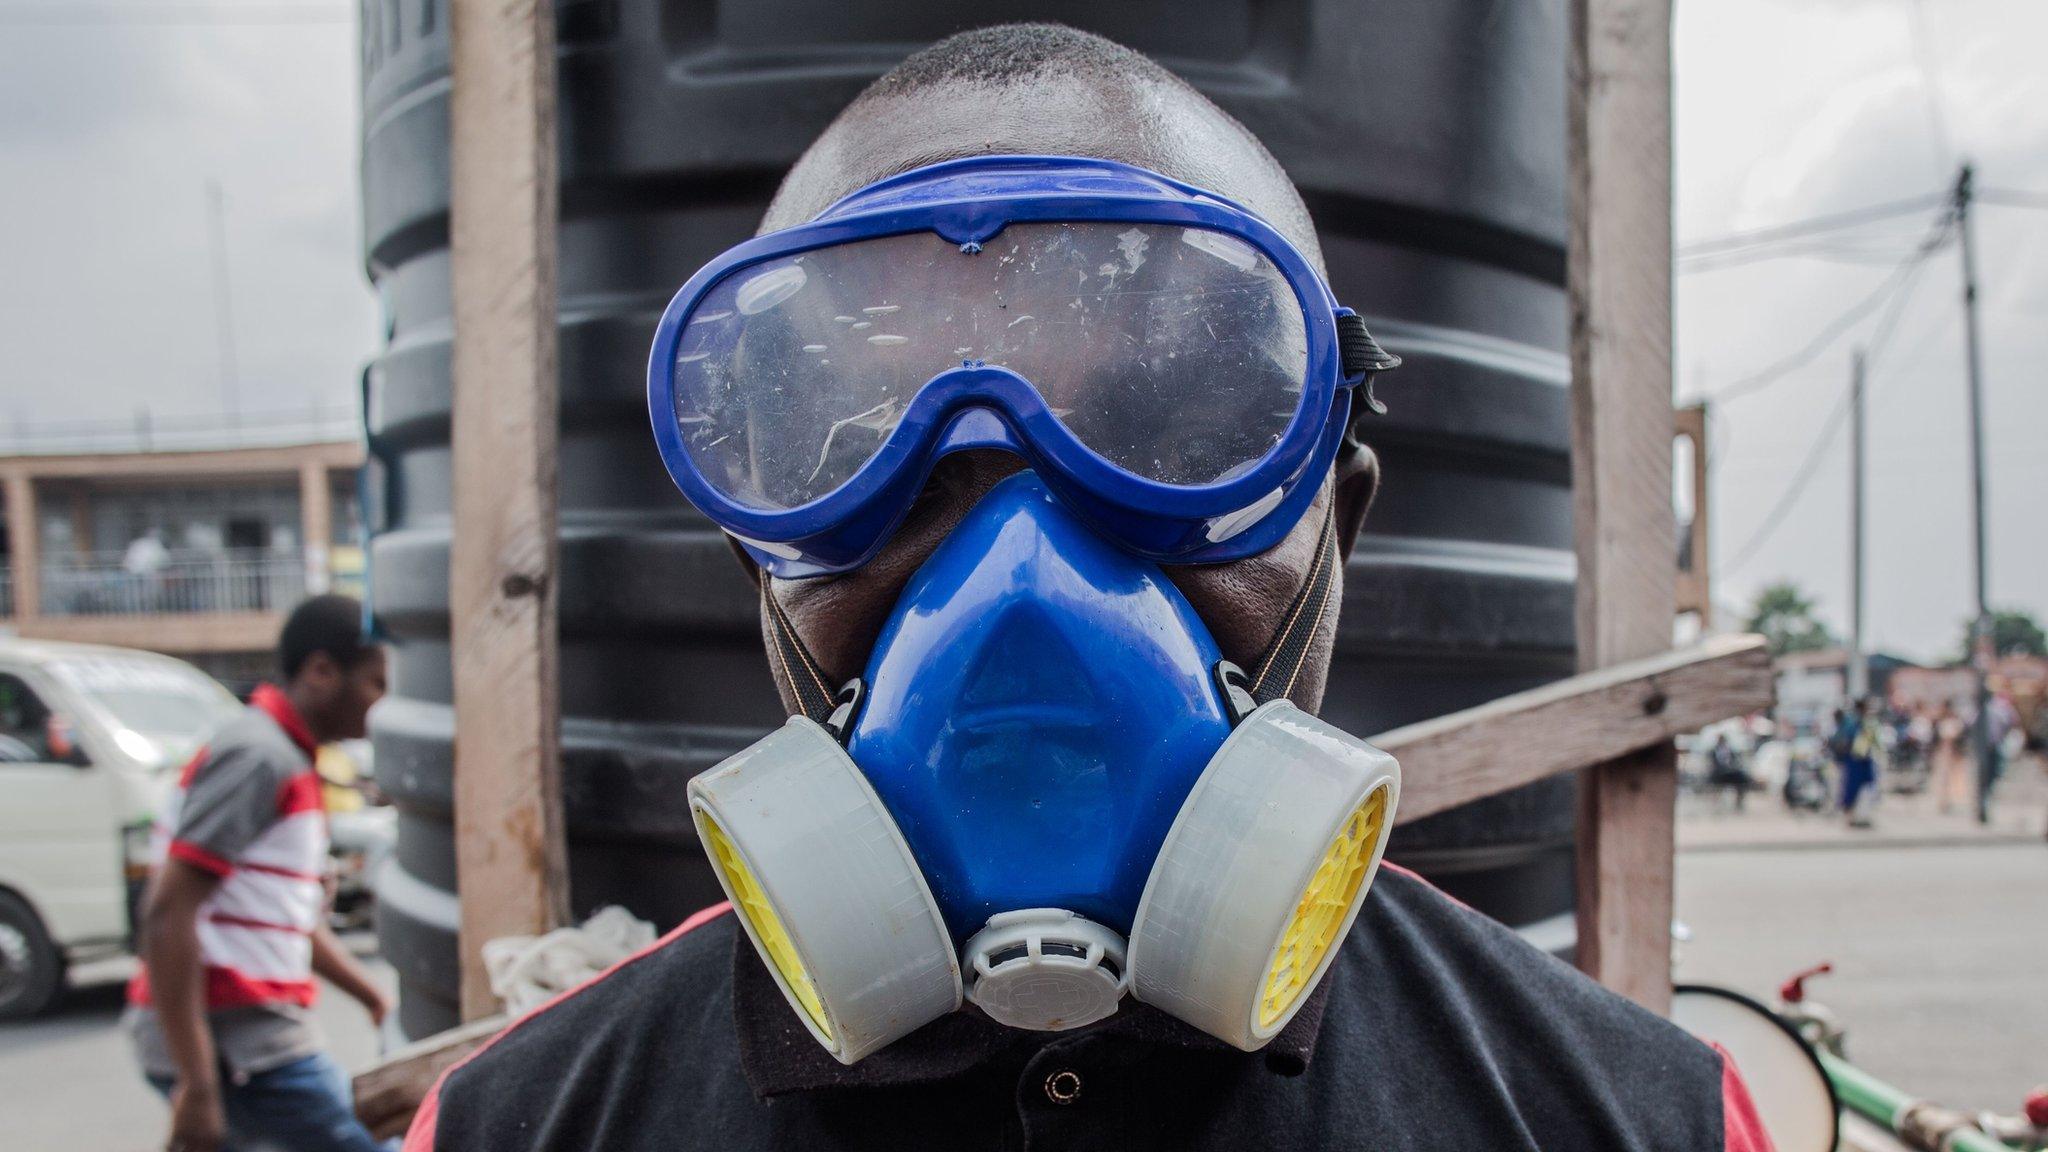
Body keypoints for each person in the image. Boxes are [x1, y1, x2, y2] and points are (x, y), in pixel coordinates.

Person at [403, 25, 1771, 1152]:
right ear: (763, 568)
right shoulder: (513, 1127)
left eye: (1165, 433)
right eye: (886, 463)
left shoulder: (1642, 1119)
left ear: (1336, 525)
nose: (1019, 578)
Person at [127, 594, 392, 1152]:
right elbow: (167, 913)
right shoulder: (259, 757)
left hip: (255, 1039)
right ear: (321, 672)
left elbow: (281, 922)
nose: (383, 703)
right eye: (375, 683)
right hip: (241, 1046)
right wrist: (199, 1085)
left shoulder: (289, 759)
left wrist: (369, 994)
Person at [1834, 698, 1880, 828]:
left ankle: (1861, 816)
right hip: (1854, 760)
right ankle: (1850, 817)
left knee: (1866, 788)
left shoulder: (1867, 722)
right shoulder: (1853, 722)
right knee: (1851, 789)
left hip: (1863, 759)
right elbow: (1844, 740)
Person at [1708, 732, 1750, 811]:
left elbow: (1735, 762)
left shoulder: (1731, 751)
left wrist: (1731, 767)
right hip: (1718, 774)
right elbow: (1712, 765)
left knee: (1742, 777)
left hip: (1730, 772)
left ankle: (1739, 802)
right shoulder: (1713, 751)